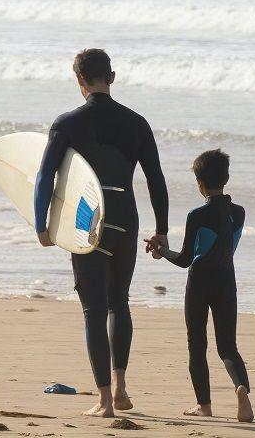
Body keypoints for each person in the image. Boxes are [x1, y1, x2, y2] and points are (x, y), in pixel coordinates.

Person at [34, 48, 169, 418]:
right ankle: (123, 387)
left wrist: (41, 223)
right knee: (119, 302)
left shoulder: (67, 123)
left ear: (79, 79)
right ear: (112, 76)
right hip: (126, 216)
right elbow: (156, 180)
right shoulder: (137, 123)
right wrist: (162, 230)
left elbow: (46, 176)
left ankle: (106, 400)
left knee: (94, 309)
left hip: (86, 217)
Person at [148, 148, 253, 422]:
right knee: (227, 346)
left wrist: (161, 251)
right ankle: (241, 389)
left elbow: (184, 259)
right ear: (227, 178)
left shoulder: (197, 215)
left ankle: (204, 405)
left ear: (200, 184)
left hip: (199, 283)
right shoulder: (239, 213)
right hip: (226, 281)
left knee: (197, 345)